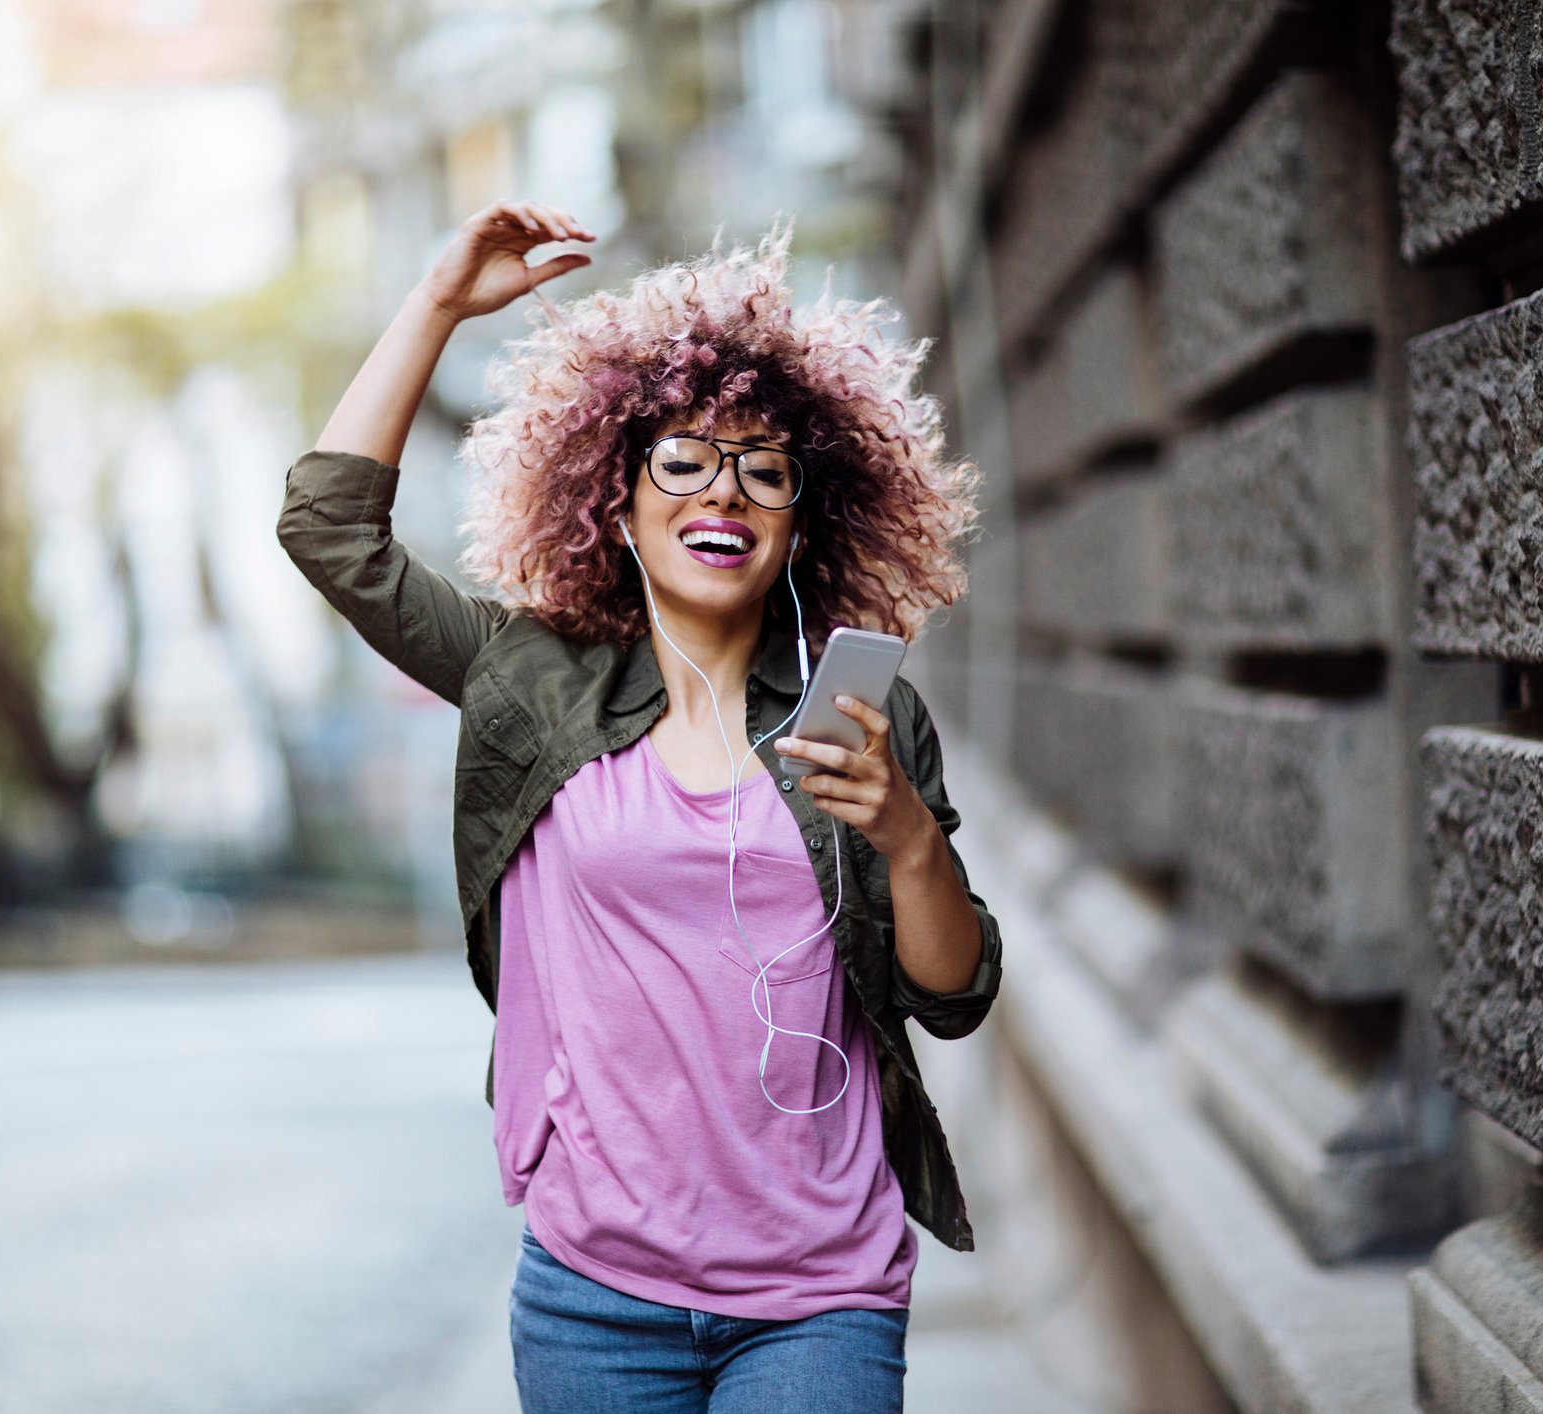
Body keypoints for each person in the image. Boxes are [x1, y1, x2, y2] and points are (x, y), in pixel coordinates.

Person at [276, 199, 1003, 1412]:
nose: (725, 493)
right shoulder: (531, 679)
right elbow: (327, 528)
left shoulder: (864, 716)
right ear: (615, 502)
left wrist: (906, 835)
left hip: (819, 1294)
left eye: (765, 473)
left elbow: (956, 993)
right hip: (594, 1295)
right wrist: (435, 305)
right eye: (682, 460)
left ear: (797, 527)